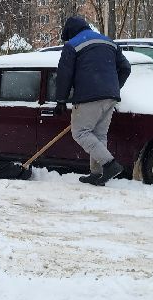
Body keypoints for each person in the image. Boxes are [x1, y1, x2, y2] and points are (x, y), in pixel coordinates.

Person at [55, 15, 132, 185]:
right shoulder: (109, 42)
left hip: (88, 96)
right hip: (111, 96)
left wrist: (61, 99)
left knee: (80, 133)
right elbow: (126, 68)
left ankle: (110, 164)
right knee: (98, 134)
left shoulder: (72, 45)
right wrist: (114, 88)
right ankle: (97, 174)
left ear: (70, 32)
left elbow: (64, 74)